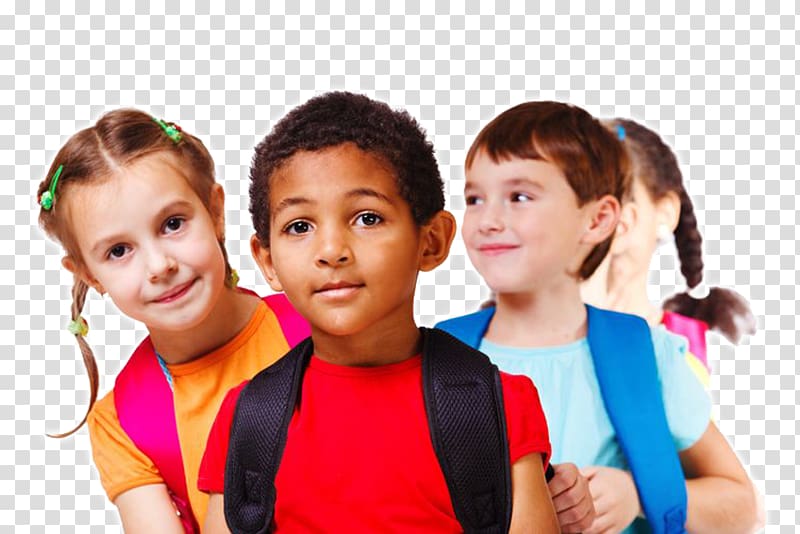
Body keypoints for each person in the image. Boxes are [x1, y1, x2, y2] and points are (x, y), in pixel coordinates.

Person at [198, 91, 560, 533]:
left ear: (431, 241)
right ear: (268, 261)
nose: (331, 251)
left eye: (367, 218)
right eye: (299, 227)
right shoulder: (248, 417)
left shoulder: (496, 405)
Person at [436, 101, 761, 533]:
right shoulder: (437, 356)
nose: (488, 220)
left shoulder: (645, 352)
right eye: (475, 198)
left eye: (519, 196)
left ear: (598, 219)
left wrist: (636, 494)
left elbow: (742, 505)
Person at [36, 109, 308, 532]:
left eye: (172, 224)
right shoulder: (123, 422)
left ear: (215, 212)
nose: (159, 265)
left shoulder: (317, 324)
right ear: (89, 275)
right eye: (118, 251)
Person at [581, 118, 757, 385]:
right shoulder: (519, 332)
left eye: (617, 195)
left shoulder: (708, 345)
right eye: (579, 195)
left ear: (665, 213)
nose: (600, 214)